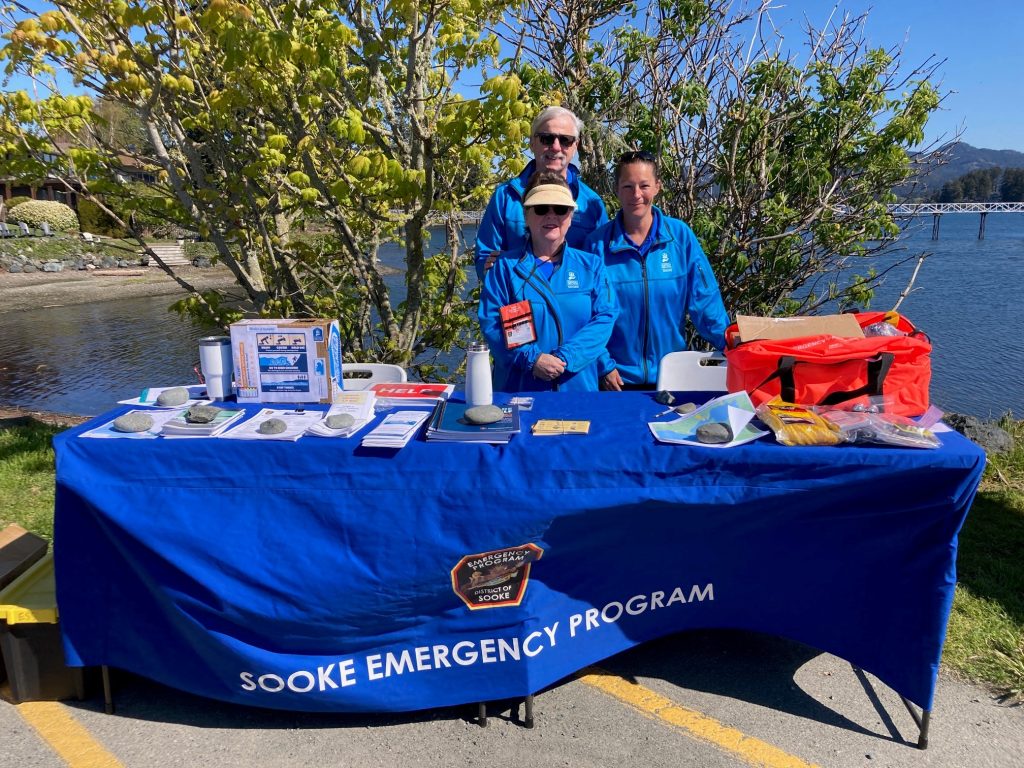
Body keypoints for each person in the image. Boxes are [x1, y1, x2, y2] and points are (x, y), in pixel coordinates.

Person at [585, 151, 729, 390]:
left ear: (657, 187)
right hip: (615, 380)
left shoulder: (680, 237)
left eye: (644, 185)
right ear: (617, 189)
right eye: (628, 186)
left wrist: (731, 345)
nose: (636, 195)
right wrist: (602, 364)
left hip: (672, 377)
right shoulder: (596, 245)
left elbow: (705, 302)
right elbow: (585, 315)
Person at [478, 172, 618, 392]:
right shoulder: (504, 268)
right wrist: (532, 360)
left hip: (578, 390)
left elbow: (604, 319)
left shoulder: (592, 267)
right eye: (541, 208)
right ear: (526, 214)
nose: (551, 215)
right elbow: (492, 322)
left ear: (571, 216)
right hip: (520, 391)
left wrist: (566, 358)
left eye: (560, 209)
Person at [473, 106, 608, 281]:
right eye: (547, 138)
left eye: (565, 140)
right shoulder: (505, 197)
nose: (556, 147)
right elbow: (485, 258)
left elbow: (602, 266)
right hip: (518, 301)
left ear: (576, 146)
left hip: (572, 302)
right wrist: (491, 273)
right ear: (532, 143)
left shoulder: (592, 204)